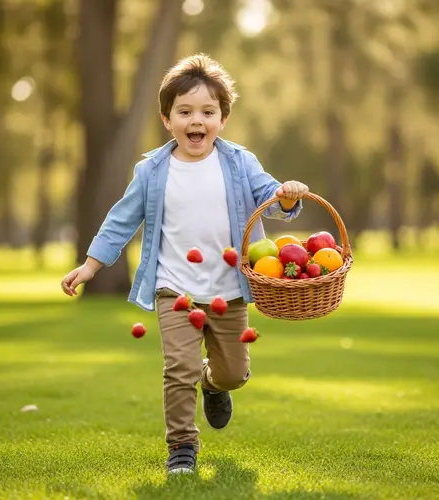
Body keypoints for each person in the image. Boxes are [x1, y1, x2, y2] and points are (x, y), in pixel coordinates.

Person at [61, 54, 308, 474]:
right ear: (167, 119)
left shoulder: (239, 162)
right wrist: (90, 266)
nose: (197, 120)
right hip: (175, 290)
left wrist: (287, 195)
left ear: (222, 119)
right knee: (179, 368)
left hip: (230, 290)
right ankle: (181, 448)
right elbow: (121, 220)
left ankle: (214, 386)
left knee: (232, 372)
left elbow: (273, 198)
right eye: (186, 112)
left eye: (208, 112)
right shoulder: (152, 170)